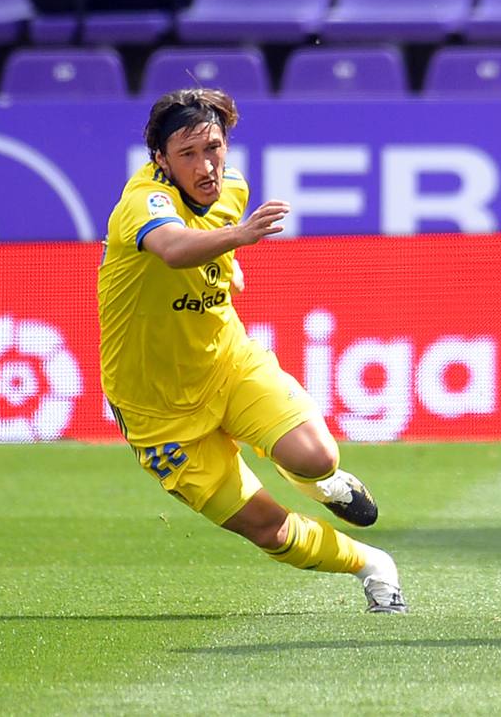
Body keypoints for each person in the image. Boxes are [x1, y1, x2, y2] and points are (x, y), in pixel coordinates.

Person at [97, 88, 407, 614]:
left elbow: (209, 255)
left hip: (227, 363)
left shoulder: (233, 189)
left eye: (214, 148)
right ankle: (373, 565)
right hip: (158, 414)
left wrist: (228, 254)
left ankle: (325, 484)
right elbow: (172, 249)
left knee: (315, 457)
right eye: (188, 154)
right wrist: (238, 239)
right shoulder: (142, 203)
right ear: (160, 160)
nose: (206, 166)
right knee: (266, 528)